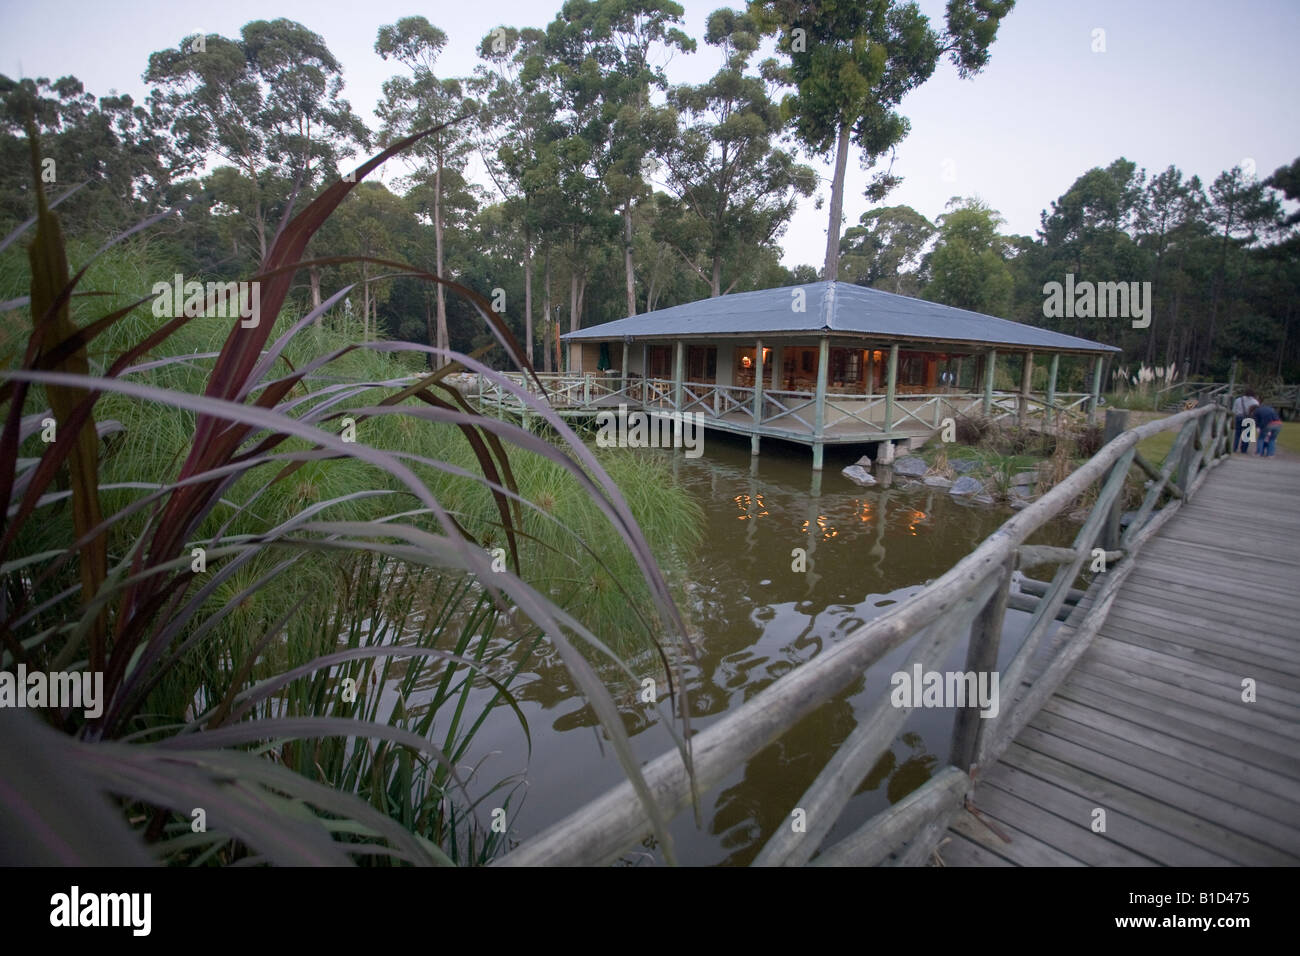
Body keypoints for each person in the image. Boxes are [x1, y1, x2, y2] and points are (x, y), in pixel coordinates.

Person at [1232, 388, 1259, 453]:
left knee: (1237, 434)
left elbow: (1234, 410)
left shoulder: (1238, 400)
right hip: (1249, 418)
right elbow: (1256, 412)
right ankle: (1243, 449)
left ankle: (1234, 448)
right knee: (1247, 435)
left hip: (1239, 417)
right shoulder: (1255, 402)